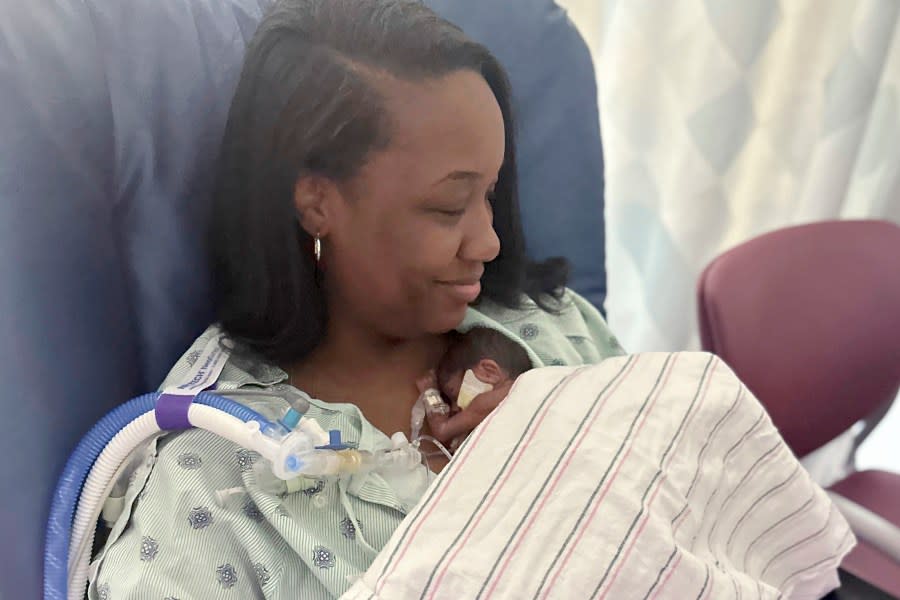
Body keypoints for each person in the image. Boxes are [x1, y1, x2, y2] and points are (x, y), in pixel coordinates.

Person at [87, 0, 623, 598]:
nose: (490, 242)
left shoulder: (556, 329)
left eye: (491, 195)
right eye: (447, 207)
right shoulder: (214, 478)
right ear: (317, 201)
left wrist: (561, 431)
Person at [413, 327, 533, 449]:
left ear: (488, 372)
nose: (455, 408)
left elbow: (442, 430)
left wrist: (430, 393)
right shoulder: (529, 386)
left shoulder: (486, 401)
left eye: (457, 395)